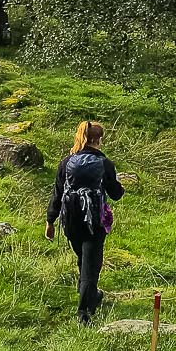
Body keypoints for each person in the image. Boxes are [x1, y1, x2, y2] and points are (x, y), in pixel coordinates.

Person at [45, 120, 125, 324]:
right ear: (98, 139)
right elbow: (115, 194)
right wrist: (119, 185)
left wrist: (50, 221)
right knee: (92, 265)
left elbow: (57, 193)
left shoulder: (66, 162)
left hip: (70, 220)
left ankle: (91, 294)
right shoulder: (104, 163)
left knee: (83, 258)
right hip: (94, 220)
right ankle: (84, 313)